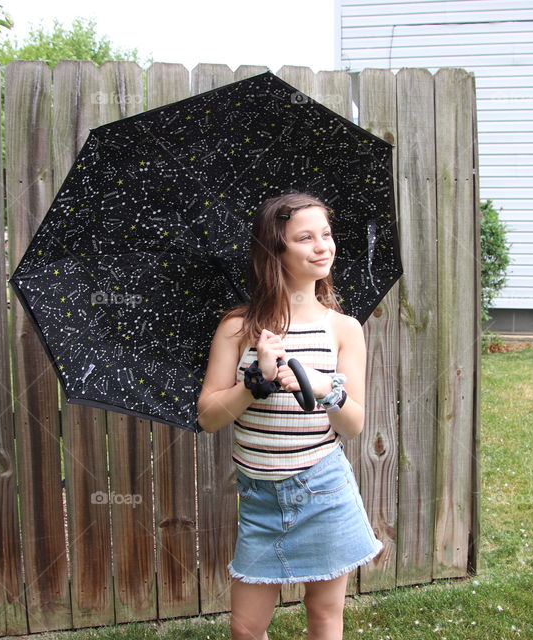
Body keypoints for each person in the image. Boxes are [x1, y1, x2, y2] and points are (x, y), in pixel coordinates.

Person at [196, 191, 383, 640]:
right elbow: (208, 417)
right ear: (274, 251)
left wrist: (325, 389)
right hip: (259, 499)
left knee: (322, 615)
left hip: (322, 489)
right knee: (244, 628)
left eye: (327, 234)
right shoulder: (238, 328)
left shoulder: (343, 329)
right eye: (305, 238)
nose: (323, 246)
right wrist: (252, 385)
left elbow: (353, 425)